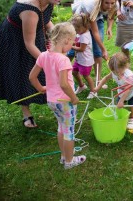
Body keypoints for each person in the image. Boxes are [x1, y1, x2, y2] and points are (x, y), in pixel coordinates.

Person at [0, 0, 66, 128]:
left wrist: (60, 37)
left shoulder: (49, 0)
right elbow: (29, 44)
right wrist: (49, 62)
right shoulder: (29, 9)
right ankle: (26, 113)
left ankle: (57, 106)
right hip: (15, 41)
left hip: (32, 35)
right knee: (23, 74)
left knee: (43, 73)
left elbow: (46, 21)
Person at [28, 22, 86, 169]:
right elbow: (64, 84)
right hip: (65, 101)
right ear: (66, 40)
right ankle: (69, 161)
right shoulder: (63, 59)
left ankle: (63, 156)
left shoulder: (43, 55)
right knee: (69, 132)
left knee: (62, 128)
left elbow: (32, 77)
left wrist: (41, 88)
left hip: (52, 101)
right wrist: (73, 98)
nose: (71, 46)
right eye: (72, 42)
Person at [74, 0, 117, 88]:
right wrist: (104, 49)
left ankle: (98, 81)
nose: (110, 6)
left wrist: (109, 27)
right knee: (74, 48)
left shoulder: (115, 4)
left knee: (97, 52)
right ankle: (67, 75)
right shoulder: (91, 5)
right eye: (107, 3)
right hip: (81, 19)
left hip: (97, 17)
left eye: (112, 3)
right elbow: (95, 32)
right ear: (101, 0)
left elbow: (111, 16)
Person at [94, 52, 133, 130]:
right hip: (122, 91)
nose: (116, 73)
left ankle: (132, 118)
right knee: (118, 106)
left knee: (132, 106)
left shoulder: (129, 76)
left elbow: (128, 89)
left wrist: (121, 101)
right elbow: (106, 78)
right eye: (114, 71)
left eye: (118, 71)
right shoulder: (114, 72)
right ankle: (120, 117)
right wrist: (98, 87)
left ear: (125, 66)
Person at [70, 14, 96, 99]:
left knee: (86, 76)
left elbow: (81, 49)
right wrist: (73, 43)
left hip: (85, 61)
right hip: (79, 60)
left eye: (77, 29)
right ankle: (81, 86)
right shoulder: (80, 33)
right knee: (74, 72)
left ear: (84, 26)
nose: (75, 31)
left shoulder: (85, 36)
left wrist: (71, 46)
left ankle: (93, 91)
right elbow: (77, 42)